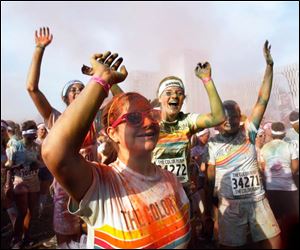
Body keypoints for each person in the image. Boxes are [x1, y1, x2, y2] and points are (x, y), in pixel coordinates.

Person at [42, 51, 191, 249]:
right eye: (134, 118)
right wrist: (102, 80)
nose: (148, 122)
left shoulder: (171, 181)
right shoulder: (101, 185)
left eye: (151, 115)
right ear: (112, 133)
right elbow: (55, 153)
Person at [206, 41, 281, 248]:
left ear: (241, 117)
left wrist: (269, 67)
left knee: (275, 243)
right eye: (226, 116)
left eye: (234, 116)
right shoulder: (212, 144)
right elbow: (210, 182)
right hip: (229, 207)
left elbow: (262, 99)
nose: (230, 120)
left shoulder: (248, 131)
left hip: (258, 201)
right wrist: (212, 215)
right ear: (219, 120)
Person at [259, 122, 298, 248]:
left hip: (272, 188)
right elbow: (296, 166)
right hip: (289, 189)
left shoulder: (264, 148)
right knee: (292, 219)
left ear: (272, 134)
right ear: (284, 133)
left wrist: (272, 177)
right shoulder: (289, 146)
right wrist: (287, 174)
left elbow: (263, 168)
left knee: (276, 219)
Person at [6, 120, 42, 248]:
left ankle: (27, 237)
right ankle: (16, 239)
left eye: (34, 135)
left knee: (32, 212)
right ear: (24, 134)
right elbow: (8, 166)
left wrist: (36, 164)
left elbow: (41, 162)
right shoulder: (15, 146)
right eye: (30, 136)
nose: (33, 138)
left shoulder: (37, 146)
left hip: (34, 181)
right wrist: (18, 166)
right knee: (22, 212)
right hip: (20, 181)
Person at [35, 123, 53, 217]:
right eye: (41, 129)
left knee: (44, 190)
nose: (43, 131)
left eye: (44, 129)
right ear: (37, 131)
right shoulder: (34, 142)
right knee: (36, 190)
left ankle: (40, 211)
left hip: (46, 168)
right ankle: (34, 209)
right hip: (36, 169)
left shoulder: (48, 142)